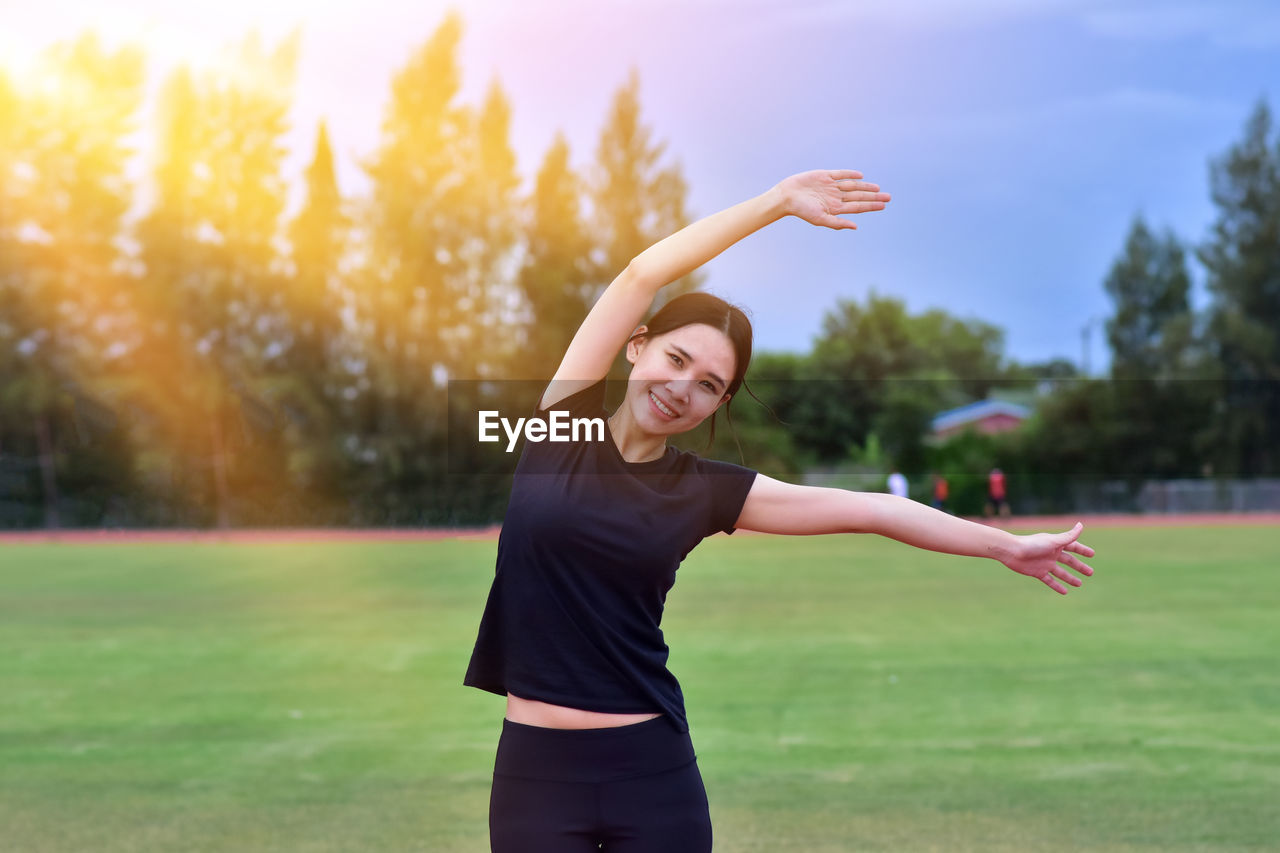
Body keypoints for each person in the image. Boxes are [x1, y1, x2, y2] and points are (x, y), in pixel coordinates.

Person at [464, 169, 1096, 852]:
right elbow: (641, 273)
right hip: (534, 775)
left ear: (719, 404)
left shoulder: (702, 490)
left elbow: (872, 509)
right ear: (637, 344)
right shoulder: (560, 425)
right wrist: (775, 204)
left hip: (649, 772)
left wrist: (1003, 546)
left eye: (708, 384)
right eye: (675, 358)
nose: (681, 387)